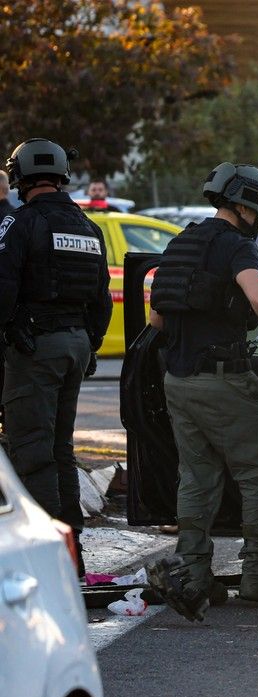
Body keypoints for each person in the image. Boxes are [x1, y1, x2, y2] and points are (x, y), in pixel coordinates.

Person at [145, 162, 258, 621]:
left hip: (178, 380)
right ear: (247, 204)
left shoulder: (182, 242)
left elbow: (157, 320)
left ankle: (194, 577)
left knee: (196, 478)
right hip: (224, 381)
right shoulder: (237, 247)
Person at [0, 139, 112, 576]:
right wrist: (91, 345)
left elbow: (4, 287)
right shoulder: (88, 227)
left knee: (32, 451)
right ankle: (72, 551)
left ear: (21, 176)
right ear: (62, 175)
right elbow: (101, 299)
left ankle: (49, 561)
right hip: (75, 345)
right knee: (60, 450)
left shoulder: (20, 223)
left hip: (34, 348)